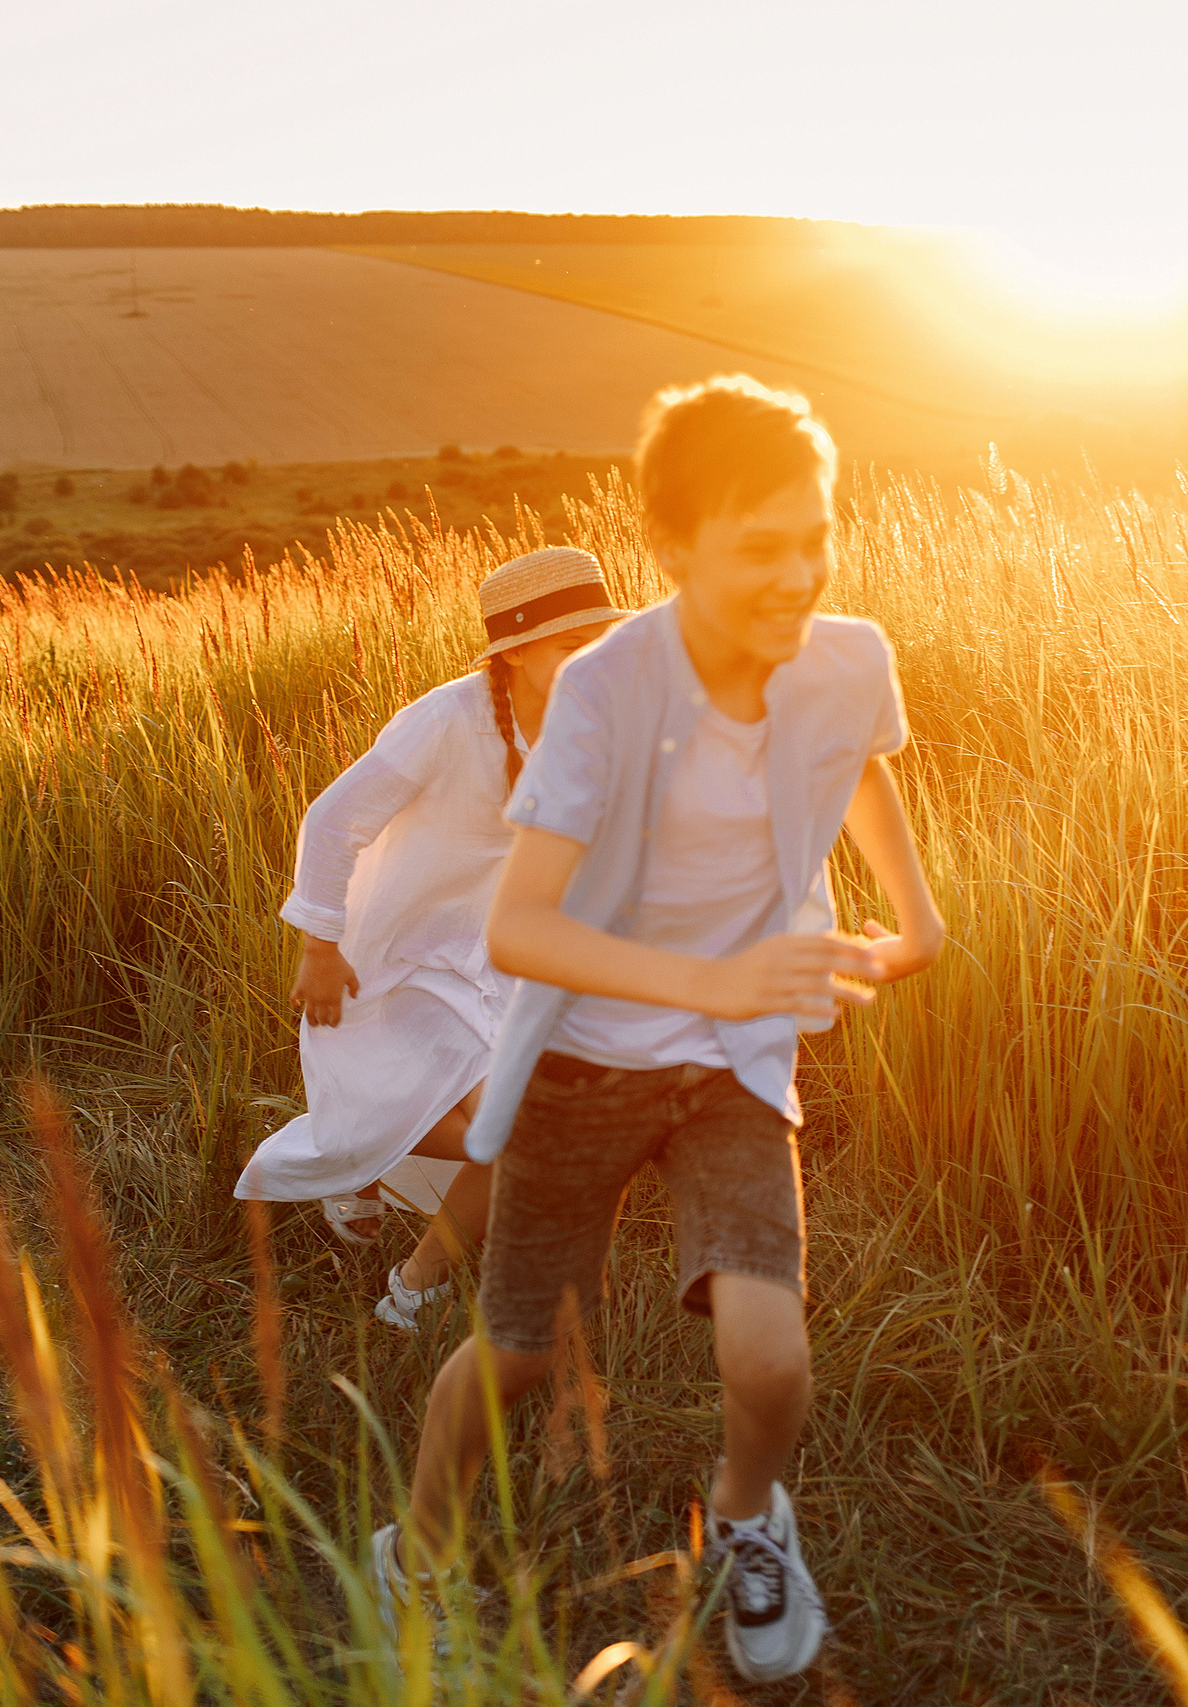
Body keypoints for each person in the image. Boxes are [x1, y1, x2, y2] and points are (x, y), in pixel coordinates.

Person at [368, 378, 946, 1684]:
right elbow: (520, 926)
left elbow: (859, 754)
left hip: (732, 1070)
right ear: (673, 548)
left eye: (816, 538)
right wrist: (716, 983)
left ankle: (749, 1514)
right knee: (516, 1351)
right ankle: (416, 1546)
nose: (799, 575)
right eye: (761, 547)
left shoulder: (847, 655)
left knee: (770, 1346)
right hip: (588, 1056)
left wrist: (916, 913)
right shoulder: (605, 694)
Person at [237, 548, 626, 1331]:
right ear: (514, 650)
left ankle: (407, 1272)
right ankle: (383, 1209)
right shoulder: (448, 720)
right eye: (569, 646)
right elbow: (334, 819)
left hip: (495, 964)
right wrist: (319, 943)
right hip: (398, 961)